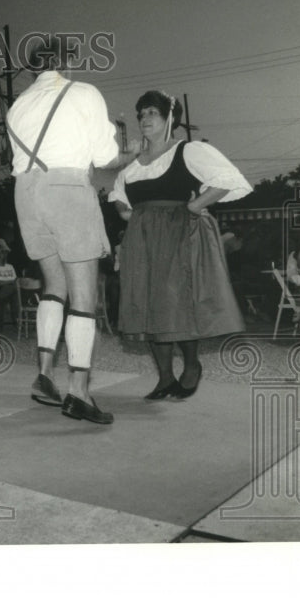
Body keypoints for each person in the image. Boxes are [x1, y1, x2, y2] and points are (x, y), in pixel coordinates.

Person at [5, 34, 135, 424]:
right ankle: (79, 391)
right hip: (66, 188)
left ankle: (44, 376)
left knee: (53, 286)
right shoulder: (84, 93)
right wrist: (133, 154)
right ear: (67, 63)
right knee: (83, 294)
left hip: (25, 193)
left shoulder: (17, 105)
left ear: (35, 67)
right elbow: (106, 156)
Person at [109, 90, 252, 400]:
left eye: (152, 113)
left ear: (169, 119)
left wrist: (194, 206)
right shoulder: (133, 165)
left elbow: (228, 180)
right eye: (141, 114)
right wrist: (131, 215)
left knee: (176, 303)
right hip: (142, 241)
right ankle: (163, 377)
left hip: (177, 237)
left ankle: (191, 367)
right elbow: (119, 200)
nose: (144, 119)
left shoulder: (186, 151)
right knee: (147, 305)